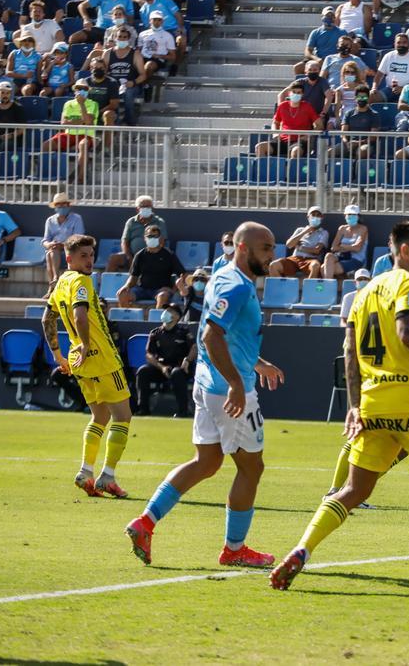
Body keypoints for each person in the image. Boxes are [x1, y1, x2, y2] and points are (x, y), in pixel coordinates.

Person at [269, 220, 409, 596]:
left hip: (372, 403)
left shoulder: (364, 293)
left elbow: (349, 351)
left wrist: (354, 405)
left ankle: (302, 548)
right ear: (405, 252)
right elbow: (408, 333)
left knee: (352, 490)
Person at [125, 222, 284, 569]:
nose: (272, 255)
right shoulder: (237, 286)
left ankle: (145, 522)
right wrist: (238, 385)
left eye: (272, 248)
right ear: (243, 248)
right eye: (265, 248)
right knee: (251, 467)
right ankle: (235, 549)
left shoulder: (223, 275)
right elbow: (212, 337)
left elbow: (225, 335)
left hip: (207, 384)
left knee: (207, 462)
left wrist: (258, 364)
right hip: (226, 391)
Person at [42, 234, 132, 498]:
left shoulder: (61, 282)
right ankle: (108, 477)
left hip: (78, 362)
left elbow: (47, 318)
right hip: (101, 357)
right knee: (123, 417)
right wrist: (83, 342)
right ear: (69, 258)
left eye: (91, 255)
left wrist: (59, 355)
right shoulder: (81, 281)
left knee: (100, 417)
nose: (90, 260)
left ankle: (85, 472)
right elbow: (80, 314)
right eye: (84, 256)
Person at [135, 303, 195, 417]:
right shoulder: (155, 333)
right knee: (143, 371)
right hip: (160, 368)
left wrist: (187, 360)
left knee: (176, 373)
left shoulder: (184, 331)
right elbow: (149, 355)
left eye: (170, 311)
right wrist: (161, 367)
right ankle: (143, 409)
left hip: (180, 368)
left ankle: (183, 411)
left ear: (177, 317)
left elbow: (194, 348)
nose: (165, 312)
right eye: (166, 310)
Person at [117, 224, 186, 309]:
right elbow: (133, 276)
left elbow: (182, 275)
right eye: (149, 236)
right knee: (122, 294)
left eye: (155, 236)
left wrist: (173, 290)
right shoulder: (140, 255)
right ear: (144, 238)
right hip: (142, 289)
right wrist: (126, 286)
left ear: (160, 238)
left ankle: (156, 320)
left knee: (162, 296)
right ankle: (128, 318)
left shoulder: (169, 255)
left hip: (161, 290)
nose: (152, 238)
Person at [256, 82, 322, 160]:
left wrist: (308, 135)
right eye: (294, 92)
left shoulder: (307, 107)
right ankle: (264, 171)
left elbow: (319, 125)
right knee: (260, 147)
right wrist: (275, 133)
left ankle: (291, 171)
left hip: (299, 142)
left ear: (302, 95)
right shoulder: (282, 106)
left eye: (299, 93)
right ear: (289, 93)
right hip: (282, 141)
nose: (296, 94)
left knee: (296, 151)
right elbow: (275, 122)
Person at [270, 207, 330, 278]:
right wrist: (305, 231)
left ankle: (308, 288)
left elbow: (316, 250)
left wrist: (299, 247)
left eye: (318, 215)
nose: (315, 217)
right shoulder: (300, 230)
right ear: (308, 217)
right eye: (313, 215)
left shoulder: (323, 233)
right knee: (273, 265)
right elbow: (289, 245)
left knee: (315, 266)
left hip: (311, 260)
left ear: (322, 217)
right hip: (294, 258)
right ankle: (281, 288)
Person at [42, 192, 83, 293]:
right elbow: (45, 240)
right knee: (51, 251)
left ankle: (52, 286)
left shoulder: (77, 218)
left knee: (50, 253)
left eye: (63, 204)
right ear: (55, 207)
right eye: (58, 205)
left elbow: (78, 239)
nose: (61, 207)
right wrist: (49, 244)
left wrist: (64, 244)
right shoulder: (50, 220)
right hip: (54, 250)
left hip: (71, 251)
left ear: (68, 205)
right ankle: (55, 279)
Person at [374, 33, 409, 103]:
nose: (401, 45)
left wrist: (403, 88)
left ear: (408, 44)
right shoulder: (388, 56)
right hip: (390, 89)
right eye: (398, 42)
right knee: (371, 97)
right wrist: (374, 88)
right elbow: (379, 75)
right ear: (395, 44)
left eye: (404, 42)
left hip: (408, 92)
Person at [297, 7, 347, 75]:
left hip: (335, 59)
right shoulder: (316, 32)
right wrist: (317, 59)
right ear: (322, 17)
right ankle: (302, 85)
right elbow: (307, 51)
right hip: (319, 60)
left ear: (335, 17)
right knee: (298, 67)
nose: (330, 18)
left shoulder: (342, 32)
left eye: (332, 16)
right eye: (327, 16)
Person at [323, 205, 368, 279]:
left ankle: (330, 286)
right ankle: (333, 285)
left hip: (356, 259)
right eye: (349, 214)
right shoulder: (342, 228)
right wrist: (350, 247)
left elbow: (357, 248)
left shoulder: (363, 229)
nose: (351, 216)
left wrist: (342, 246)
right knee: (329, 256)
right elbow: (333, 248)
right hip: (341, 256)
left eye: (354, 214)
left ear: (358, 216)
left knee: (324, 268)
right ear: (345, 216)